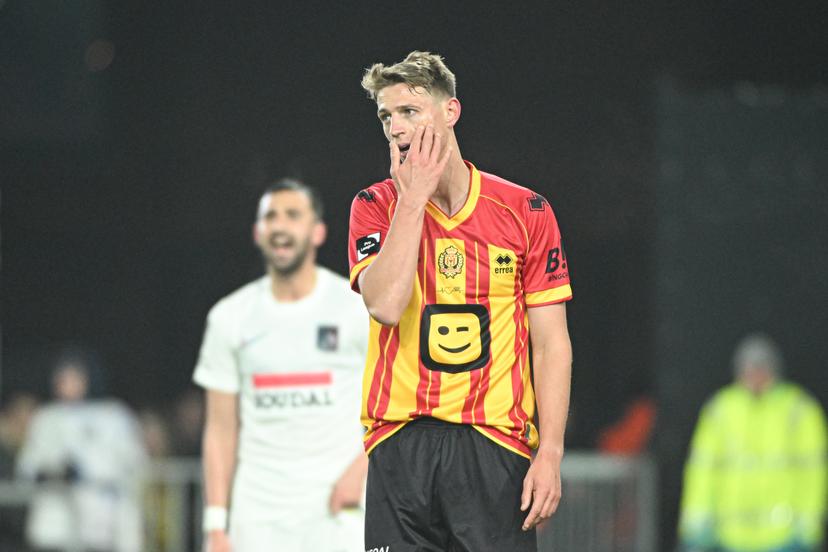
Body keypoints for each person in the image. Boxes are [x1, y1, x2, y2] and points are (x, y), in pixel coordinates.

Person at [348, 51, 574, 551]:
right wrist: (412, 200)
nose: (395, 128)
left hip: (493, 443)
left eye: (410, 111)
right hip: (399, 441)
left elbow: (551, 344)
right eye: (386, 116)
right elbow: (384, 305)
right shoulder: (374, 205)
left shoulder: (525, 211)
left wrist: (551, 454)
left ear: (450, 111)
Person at [194, 178, 369, 552]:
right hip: (257, 516)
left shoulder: (356, 307)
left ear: (318, 232)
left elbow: (394, 402)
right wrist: (215, 524)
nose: (280, 226)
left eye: (292, 215)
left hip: (339, 510)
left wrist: (362, 471)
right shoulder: (229, 316)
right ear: (257, 233)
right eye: (270, 217)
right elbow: (220, 429)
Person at [678, 333, 827, 552]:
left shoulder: (799, 410)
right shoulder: (721, 409)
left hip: (783, 537)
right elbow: (702, 470)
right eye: (749, 369)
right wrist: (696, 523)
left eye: (761, 368)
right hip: (729, 537)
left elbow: (813, 472)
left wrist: (808, 526)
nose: (755, 376)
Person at [16, 347, 147, 552]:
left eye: (74, 378)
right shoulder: (47, 418)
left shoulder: (114, 415)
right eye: (63, 379)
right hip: (56, 522)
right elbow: (28, 464)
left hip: (103, 521)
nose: (68, 385)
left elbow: (135, 462)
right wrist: (52, 472)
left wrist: (91, 473)